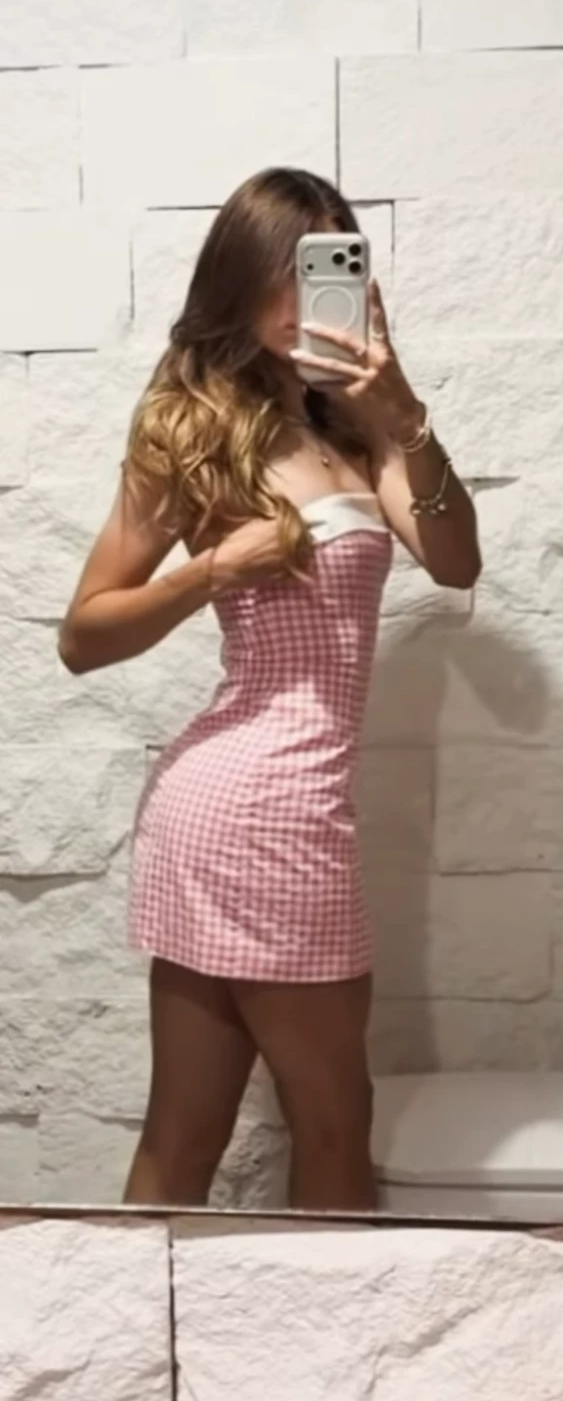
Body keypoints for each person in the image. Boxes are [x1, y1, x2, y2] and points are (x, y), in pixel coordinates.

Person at [59, 168, 481, 1211]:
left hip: (282, 807)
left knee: (215, 1130)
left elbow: (456, 561)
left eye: (332, 266)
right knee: (319, 1121)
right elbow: (83, 635)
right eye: (288, 270)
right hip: (254, 809)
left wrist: (403, 413)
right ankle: (274, 1314)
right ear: (241, 281)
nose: (310, 296)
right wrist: (212, 568)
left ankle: (218, 1313)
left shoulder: (357, 433)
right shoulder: (192, 428)